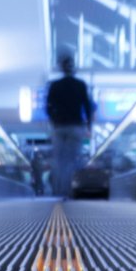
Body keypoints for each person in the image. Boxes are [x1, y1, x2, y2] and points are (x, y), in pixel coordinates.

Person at [43, 52, 95, 198]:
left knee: (59, 160)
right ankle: (69, 190)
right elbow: (87, 106)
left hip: (59, 126)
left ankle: (58, 190)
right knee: (72, 159)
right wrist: (89, 126)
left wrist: (53, 120)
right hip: (76, 126)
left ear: (61, 68)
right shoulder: (80, 85)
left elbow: (48, 107)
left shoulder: (54, 85)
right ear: (73, 68)